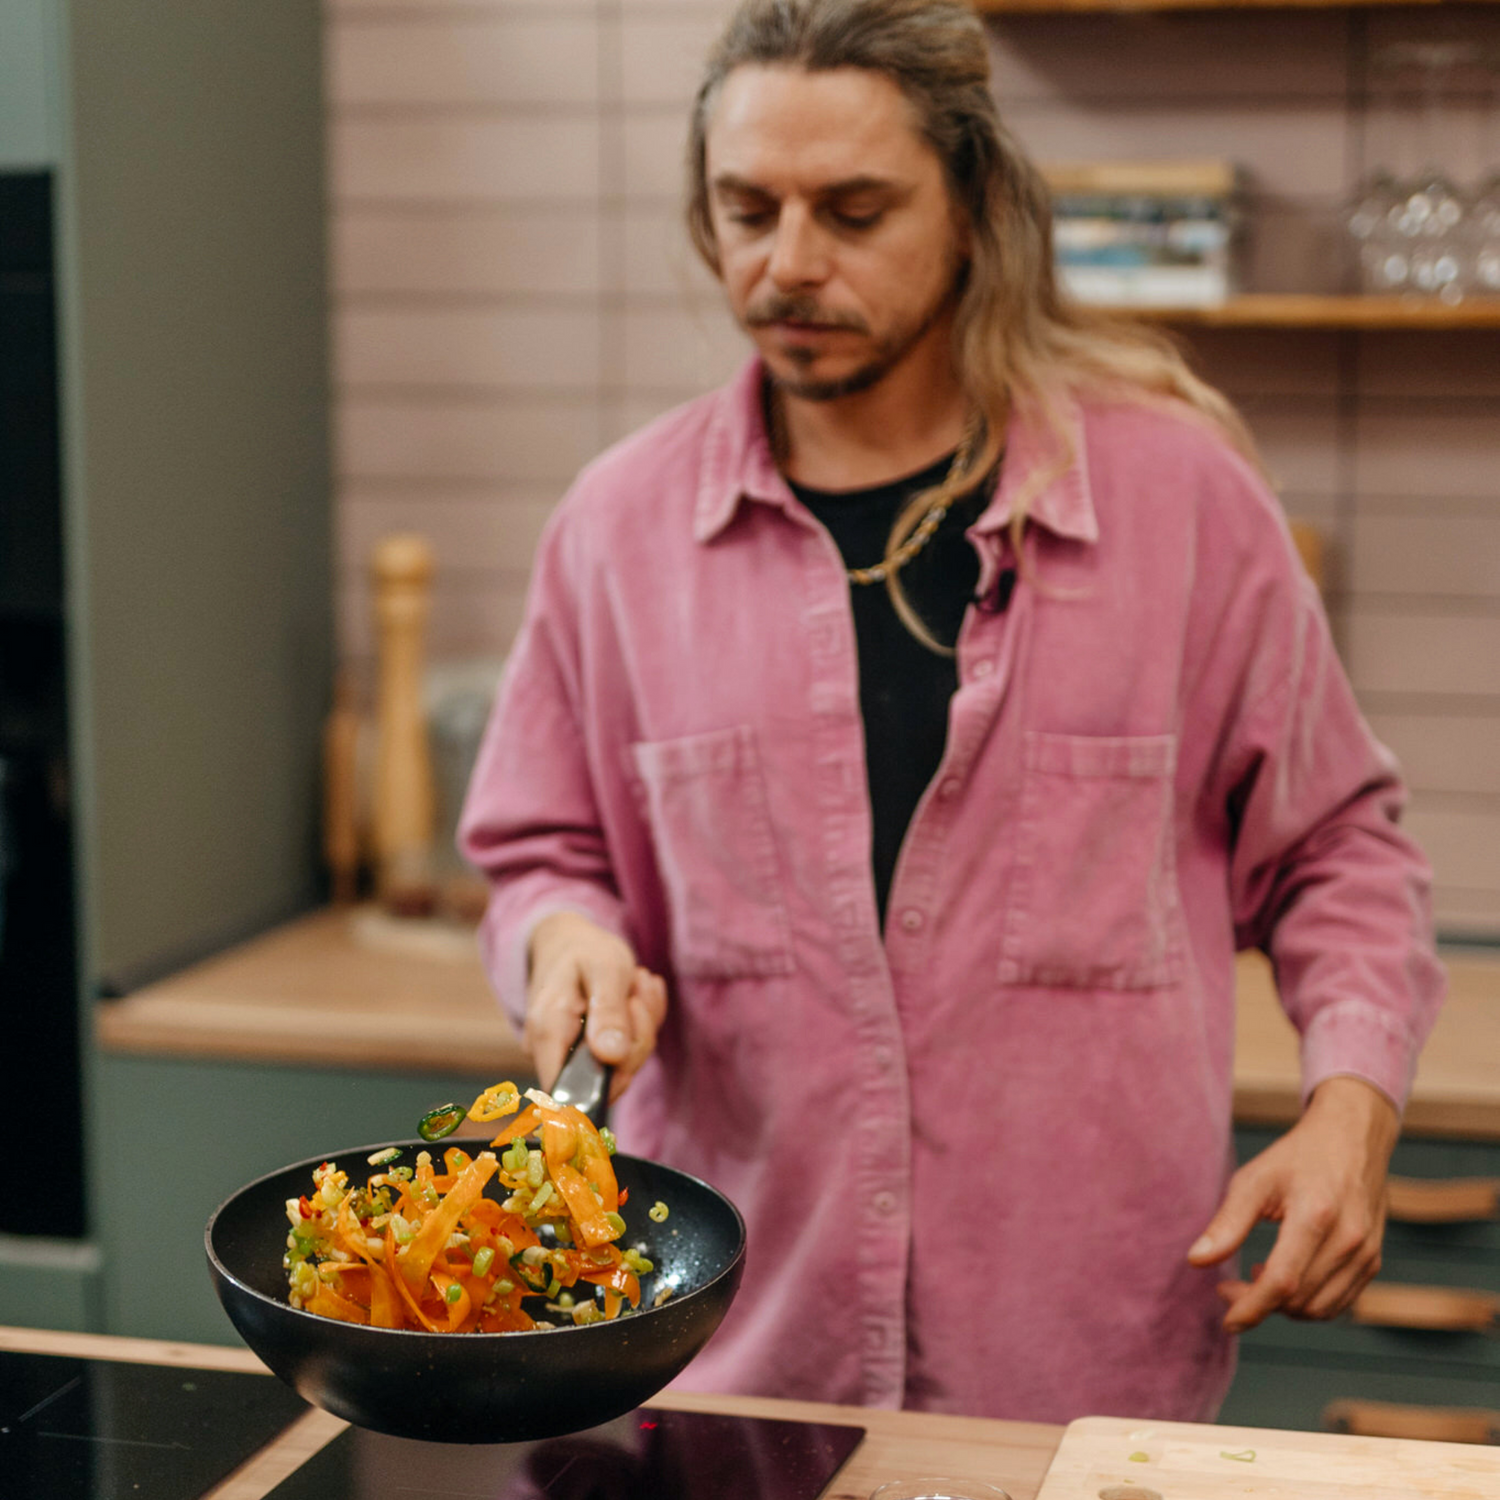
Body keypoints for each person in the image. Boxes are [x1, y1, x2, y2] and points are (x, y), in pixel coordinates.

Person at [458, 0, 1445, 1425]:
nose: (788, 264)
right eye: (749, 209)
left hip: (1081, 1378)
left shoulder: (1181, 501)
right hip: (727, 1375)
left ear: (976, 209)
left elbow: (1340, 849)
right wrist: (565, 936)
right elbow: (545, 853)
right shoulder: (616, 530)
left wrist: (1353, 1106)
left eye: (854, 211)